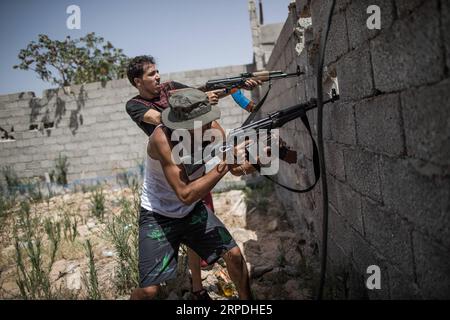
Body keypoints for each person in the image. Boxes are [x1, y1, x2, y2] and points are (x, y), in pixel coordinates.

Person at [125, 55, 260, 299]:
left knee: (235, 257)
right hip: (158, 215)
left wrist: (257, 158)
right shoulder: (161, 138)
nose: (208, 125)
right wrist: (225, 165)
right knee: (149, 292)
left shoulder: (210, 127)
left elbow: (237, 167)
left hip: (190, 211)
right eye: (200, 120)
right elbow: (185, 194)